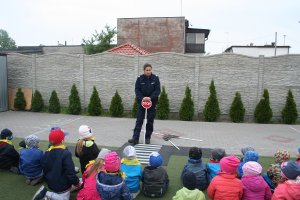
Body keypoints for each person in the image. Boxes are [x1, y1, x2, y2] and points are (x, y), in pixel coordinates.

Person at [33, 129, 82, 200]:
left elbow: (45, 168)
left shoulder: (47, 152)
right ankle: (46, 194)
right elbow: (70, 173)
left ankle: (50, 196)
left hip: (51, 182)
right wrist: (77, 183)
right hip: (62, 186)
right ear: (62, 141)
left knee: (76, 180)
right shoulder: (65, 153)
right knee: (65, 198)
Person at [128, 63, 161, 145]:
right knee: (139, 120)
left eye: (150, 70)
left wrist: (151, 97)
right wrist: (142, 98)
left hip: (152, 103)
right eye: (147, 70)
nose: (148, 71)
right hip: (141, 103)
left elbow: (157, 90)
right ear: (144, 70)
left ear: (151, 70)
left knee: (150, 121)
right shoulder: (140, 79)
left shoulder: (155, 78)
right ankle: (135, 138)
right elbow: (137, 90)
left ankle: (147, 138)